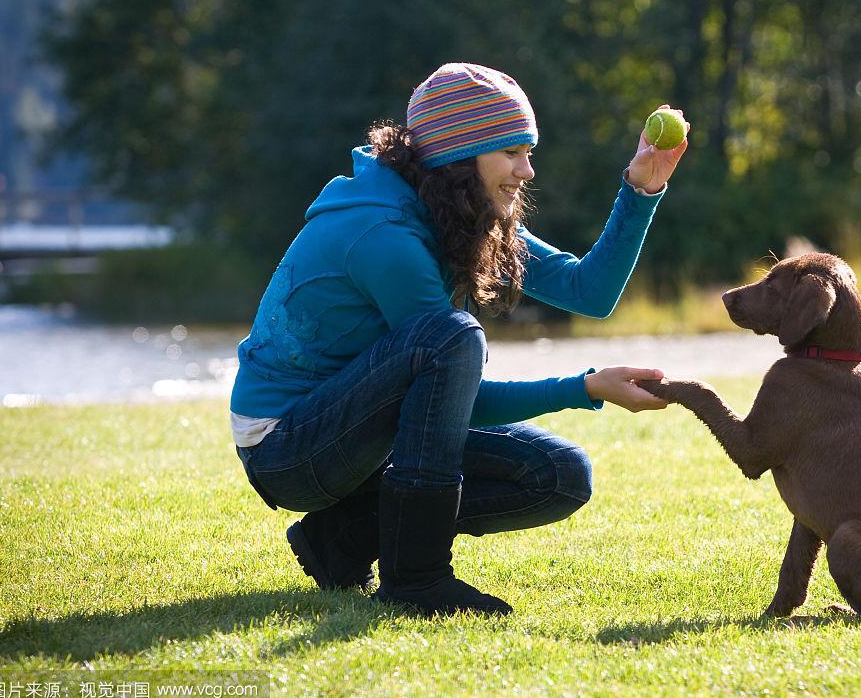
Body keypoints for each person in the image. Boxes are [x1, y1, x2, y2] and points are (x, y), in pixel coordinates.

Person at [230, 62, 689, 616]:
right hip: (288, 448)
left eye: (528, 151)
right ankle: (416, 579)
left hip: (361, 435)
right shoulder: (386, 236)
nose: (528, 170)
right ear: (458, 157)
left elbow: (587, 291)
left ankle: (343, 538)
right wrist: (585, 387)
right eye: (511, 152)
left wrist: (643, 188)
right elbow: (459, 393)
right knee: (451, 337)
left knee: (560, 476)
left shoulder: (456, 210)